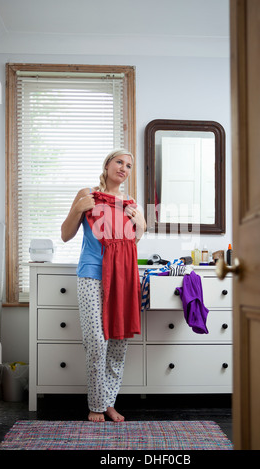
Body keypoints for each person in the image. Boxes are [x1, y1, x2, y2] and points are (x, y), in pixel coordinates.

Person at [61, 149, 146, 422]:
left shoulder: (131, 204)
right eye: (119, 162)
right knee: (97, 341)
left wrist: (141, 224)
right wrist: (78, 209)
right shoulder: (87, 194)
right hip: (91, 274)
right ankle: (96, 404)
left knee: (119, 342)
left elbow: (130, 245)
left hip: (122, 277)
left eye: (129, 165)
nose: (124, 168)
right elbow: (65, 235)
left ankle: (108, 402)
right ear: (108, 164)